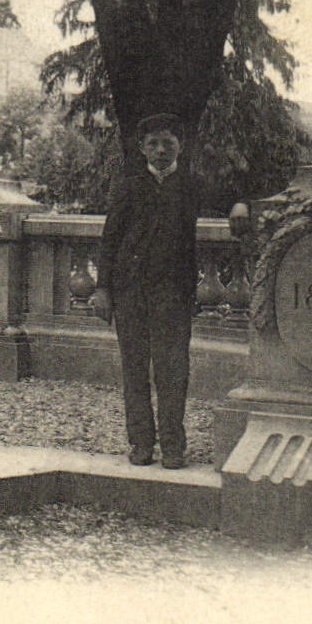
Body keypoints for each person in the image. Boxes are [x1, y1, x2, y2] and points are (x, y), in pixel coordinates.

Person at [94, 112, 199, 469]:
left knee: (172, 370)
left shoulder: (190, 186)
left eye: (167, 142)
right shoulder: (128, 185)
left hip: (173, 294)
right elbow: (110, 240)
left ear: (180, 146)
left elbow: (229, 199)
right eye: (152, 144)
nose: (160, 150)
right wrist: (103, 288)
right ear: (141, 148)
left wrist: (241, 204)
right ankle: (141, 442)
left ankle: (173, 445)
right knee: (135, 370)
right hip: (130, 292)